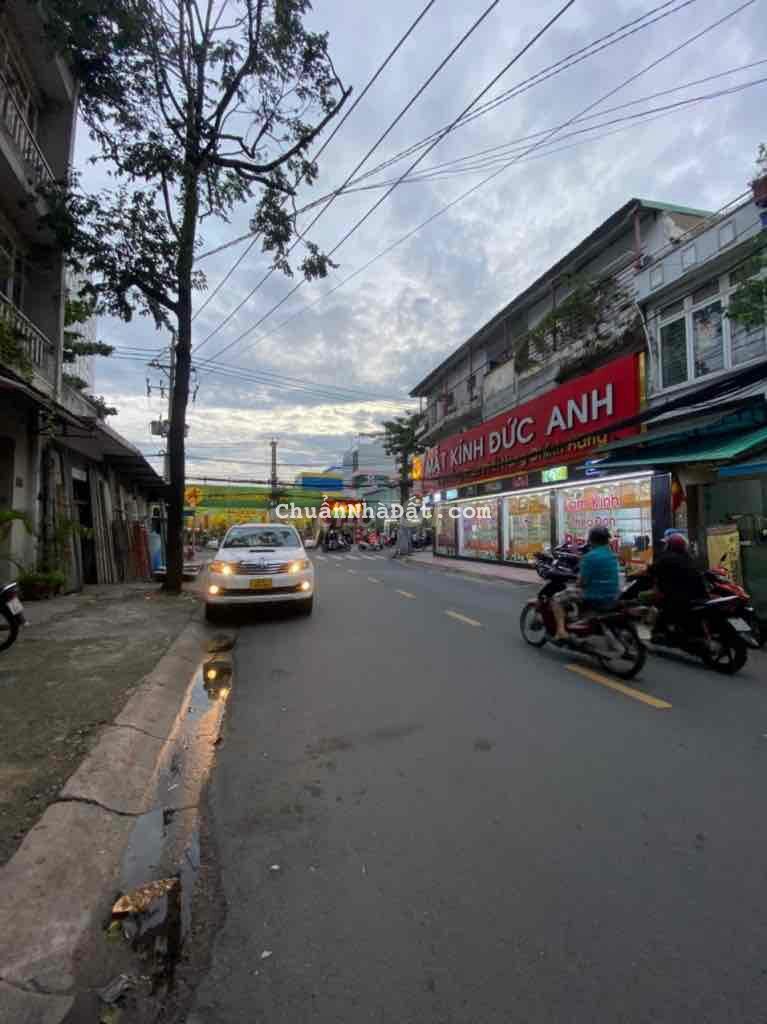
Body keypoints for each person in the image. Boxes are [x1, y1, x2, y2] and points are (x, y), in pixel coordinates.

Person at [553, 526, 620, 641]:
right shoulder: (612, 556)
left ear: (591, 540)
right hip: (613, 594)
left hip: (594, 595)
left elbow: (582, 583)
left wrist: (575, 584)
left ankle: (561, 631)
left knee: (556, 599)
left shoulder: (590, 557)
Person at [649, 531, 707, 636]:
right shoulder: (689, 559)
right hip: (697, 598)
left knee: (660, 618)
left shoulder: (665, 559)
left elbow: (651, 571)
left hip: (675, 600)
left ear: (669, 545)